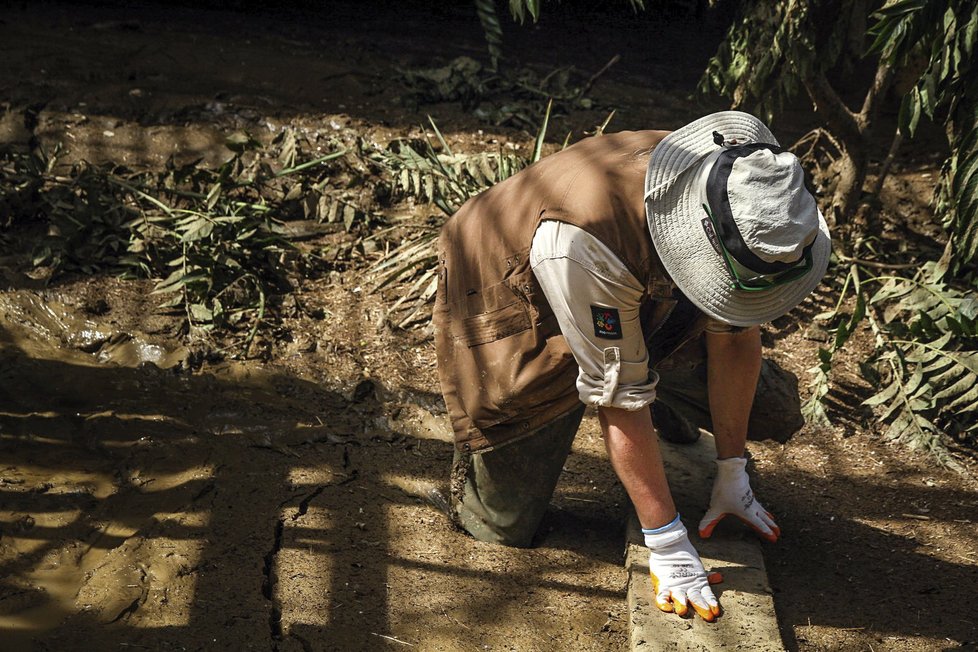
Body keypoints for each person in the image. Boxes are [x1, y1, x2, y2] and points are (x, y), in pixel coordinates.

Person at [433, 111, 830, 622]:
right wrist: (667, 543)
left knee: (771, 410)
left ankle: (672, 416)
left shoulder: (759, 196)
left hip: (643, 288)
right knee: (503, 526)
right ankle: (496, 473)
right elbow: (618, 394)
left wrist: (733, 468)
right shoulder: (583, 239)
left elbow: (735, 338)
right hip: (520, 291)